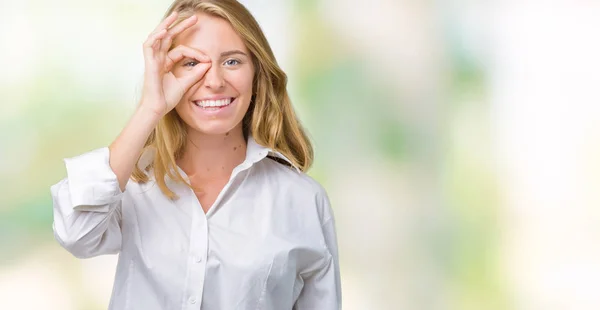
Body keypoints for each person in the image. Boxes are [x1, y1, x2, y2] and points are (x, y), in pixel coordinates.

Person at [50, 0, 341, 309]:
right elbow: (75, 233)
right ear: (163, 72)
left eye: (232, 62)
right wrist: (151, 108)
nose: (214, 82)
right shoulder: (132, 187)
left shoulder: (303, 201)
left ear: (256, 75)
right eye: (191, 63)